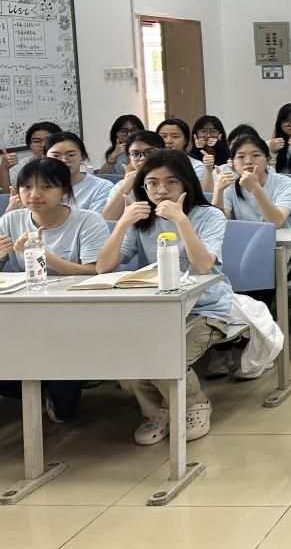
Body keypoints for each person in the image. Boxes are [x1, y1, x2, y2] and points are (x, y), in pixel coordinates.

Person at [95, 149, 234, 446]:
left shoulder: (209, 215)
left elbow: (203, 266)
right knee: (124, 359)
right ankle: (159, 410)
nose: (161, 190)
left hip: (206, 308)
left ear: (186, 183)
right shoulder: (143, 218)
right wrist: (122, 223)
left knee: (164, 356)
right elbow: (103, 266)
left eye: (171, 182)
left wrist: (181, 221)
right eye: (152, 183)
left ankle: (195, 402)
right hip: (158, 308)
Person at [0, 157, 110, 422]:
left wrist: (42, 255)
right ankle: (36, 386)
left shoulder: (88, 221)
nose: (34, 194)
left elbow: (95, 271)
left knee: (64, 412)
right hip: (24, 309)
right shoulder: (11, 220)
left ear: (65, 190)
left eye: (46, 187)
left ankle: (57, 386)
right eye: (27, 187)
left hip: (75, 310)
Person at [212, 132, 291, 338]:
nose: (248, 161)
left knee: (259, 275)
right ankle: (233, 330)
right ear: (232, 162)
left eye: (256, 155)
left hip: (286, 253)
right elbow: (218, 223)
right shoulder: (230, 186)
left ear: (267, 158)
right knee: (216, 277)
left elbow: (276, 221)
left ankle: (259, 334)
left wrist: (256, 189)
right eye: (240, 157)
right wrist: (218, 192)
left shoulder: (284, 183)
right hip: (244, 253)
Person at [101, 130, 165, 221]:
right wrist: (126, 185)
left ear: (164, 152)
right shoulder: (123, 185)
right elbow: (107, 220)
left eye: (150, 152)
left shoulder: (175, 181)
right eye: (135, 154)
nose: (142, 158)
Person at [44, 132, 114, 213]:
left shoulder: (101, 187)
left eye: (71, 155)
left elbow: (96, 219)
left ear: (83, 157)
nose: (63, 160)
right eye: (56, 156)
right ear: (44, 159)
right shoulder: (35, 187)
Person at [2, 121, 62, 191]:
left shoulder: (68, 161)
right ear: (29, 146)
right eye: (37, 141)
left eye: (48, 140)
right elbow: (9, 194)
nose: (43, 145)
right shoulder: (24, 164)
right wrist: (4, 169)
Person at [192, 115, 231, 191]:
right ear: (196, 134)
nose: (208, 135)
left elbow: (226, 166)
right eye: (203, 131)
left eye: (213, 131)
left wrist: (220, 147)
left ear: (220, 134)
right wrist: (196, 149)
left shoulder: (226, 151)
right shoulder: (193, 153)